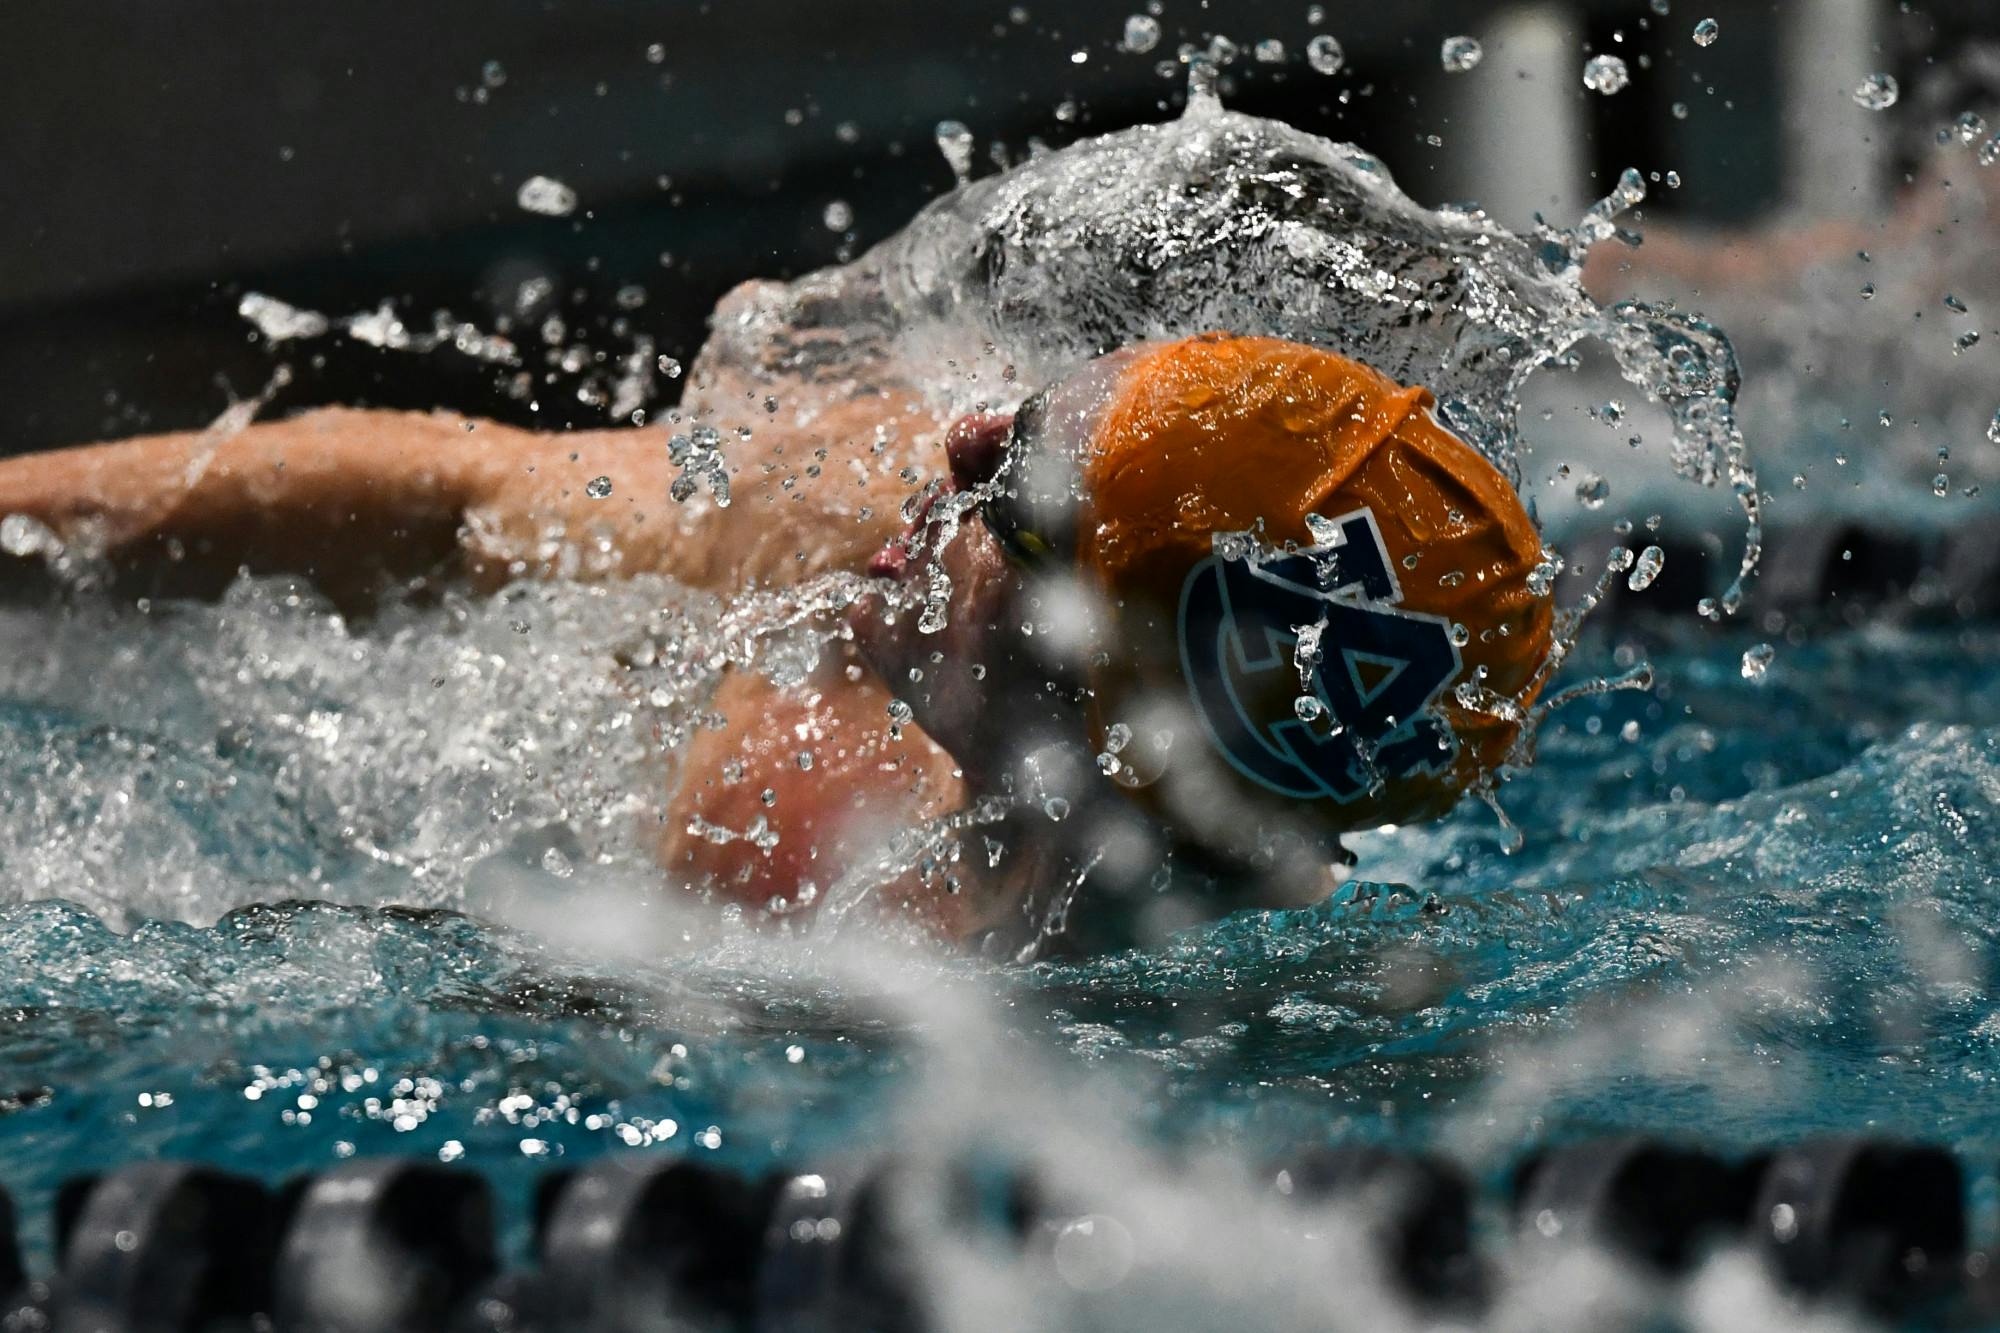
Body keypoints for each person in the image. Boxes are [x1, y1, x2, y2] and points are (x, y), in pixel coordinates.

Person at [0, 320, 1552, 955]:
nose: (957, 441)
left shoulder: (1265, 1053)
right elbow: (445, 498)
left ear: (1106, 675)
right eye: (1036, 408)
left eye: (1022, 478)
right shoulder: (831, 537)